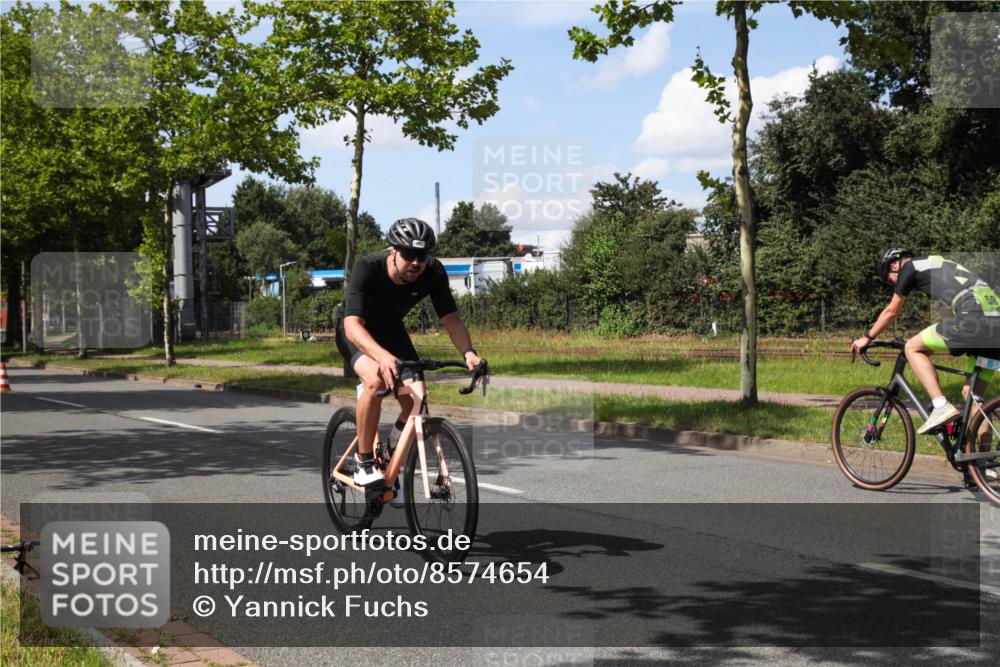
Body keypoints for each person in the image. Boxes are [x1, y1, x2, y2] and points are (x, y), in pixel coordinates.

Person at [335, 217, 482, 502]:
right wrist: (380, 356)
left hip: (392, 330)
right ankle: (365, 462)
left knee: (418, 397)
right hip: (356, 329)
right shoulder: (368, 267)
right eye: (408, 255)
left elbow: (451, 319)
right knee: (375, 379)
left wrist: (469, 353)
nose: (416, 262)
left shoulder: (434, 272)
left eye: (422, 256)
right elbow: (352, 325)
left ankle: (391, 454)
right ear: (393, 251)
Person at [851, 248, 1000, 434]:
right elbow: (949, 308)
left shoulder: (909, 267)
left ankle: (941, 406)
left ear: (894, 265)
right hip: (995, 324)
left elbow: (891, 312)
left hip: (972, 314)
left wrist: (868, 337)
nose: (894, 284)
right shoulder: (937, 264)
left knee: (912, 348)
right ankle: (979, 461)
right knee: (972, 397)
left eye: (891, 280)